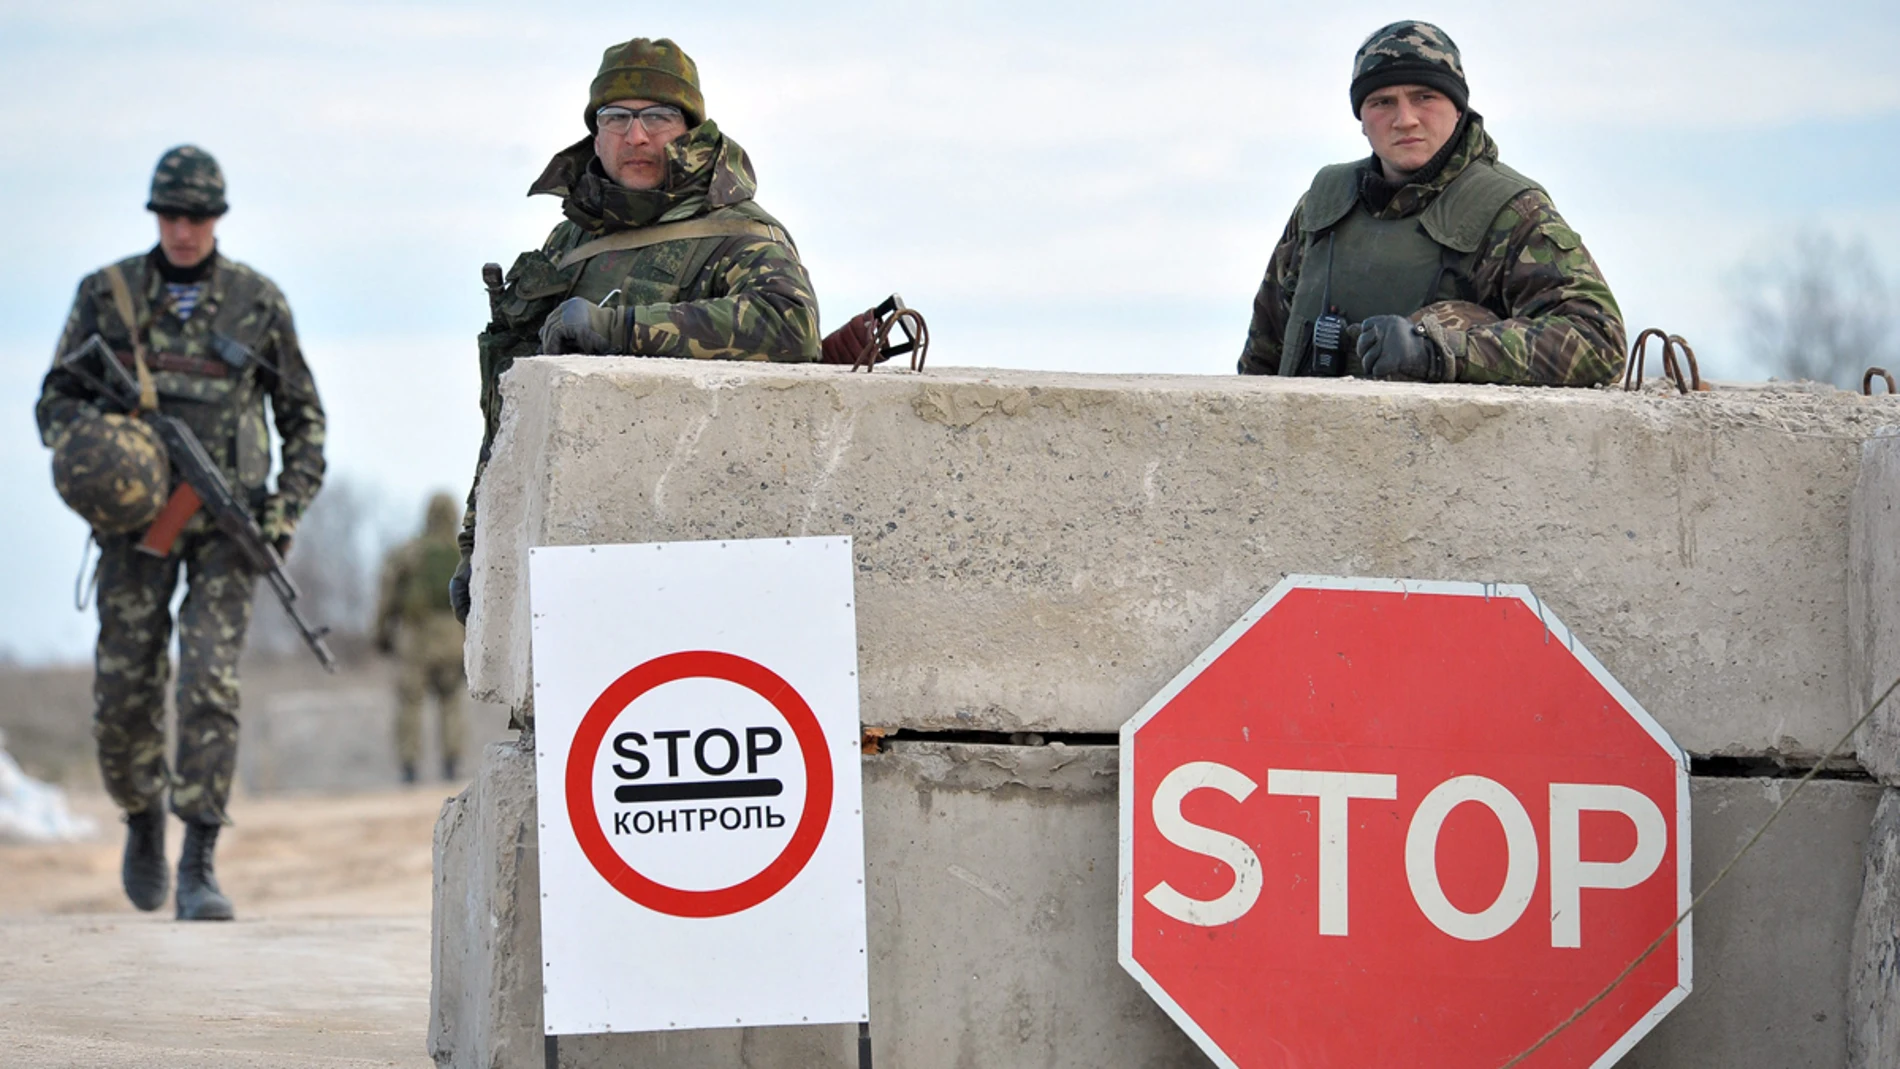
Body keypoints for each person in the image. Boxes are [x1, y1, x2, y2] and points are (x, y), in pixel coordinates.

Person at [35, 145, 326, 921]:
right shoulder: (109, 295)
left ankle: (198, 859)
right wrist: (111, 450)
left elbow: (305, 422)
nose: (184, 229)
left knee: (208, 683)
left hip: (228, 529)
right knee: (124, 685)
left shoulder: (258, 303)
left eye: (197, 216)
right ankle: (140, 816)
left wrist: (282, 512)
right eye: (171, 215)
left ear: (217, 220)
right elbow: (53, 404)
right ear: (156, 216)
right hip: (137, 526)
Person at [452, 36, 821, 622]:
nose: (638, 136)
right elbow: (510, 407)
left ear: (692, 129)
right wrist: (478, 540)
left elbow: (790, 325)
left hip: (703, 546)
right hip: (572, 550)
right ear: (595, 136)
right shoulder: (570, 244)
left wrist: (619, 329)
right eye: (617, 118)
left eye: (659, 116)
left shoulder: (735, 232)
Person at [1239, 20, 1626, 386]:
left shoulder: (1510, 211)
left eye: (1424, 97)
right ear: (1361, 119)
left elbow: (1598, 338)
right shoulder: (1322, 207)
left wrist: (1440, 353)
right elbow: (1262, 357)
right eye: (1382, 102)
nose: (1405, 119)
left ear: (1458, 109)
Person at [376, 493, 468, 783]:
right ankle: (452, 765)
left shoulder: (409, 553)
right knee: (451, 703)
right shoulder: (463, 553)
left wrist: (381, 633)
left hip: (416, 640)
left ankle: (409, 769)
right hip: (454, 637)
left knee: (410, 705)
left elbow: (388, 596)